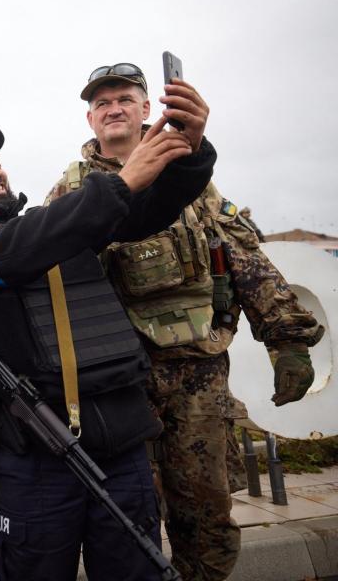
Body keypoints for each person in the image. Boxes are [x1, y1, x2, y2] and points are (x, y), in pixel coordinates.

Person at [46, 63, 324, 581]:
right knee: (131, 511)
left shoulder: (190, 175)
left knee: (205, 508)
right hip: (121, 381)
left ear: (147, 109)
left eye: (125, 98)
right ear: (90, 119)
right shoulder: (72, 189)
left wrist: (287, 338)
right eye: (102, 102)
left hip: (198, 373)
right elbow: (49, 277)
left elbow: (242, 254)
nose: (113, 108)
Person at [0, 117, 215, 580]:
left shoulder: (64, 229)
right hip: (35, 461)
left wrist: (192, 151)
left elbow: (144, 210)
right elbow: (19, 247)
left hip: (121, 448)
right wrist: (119, 183)